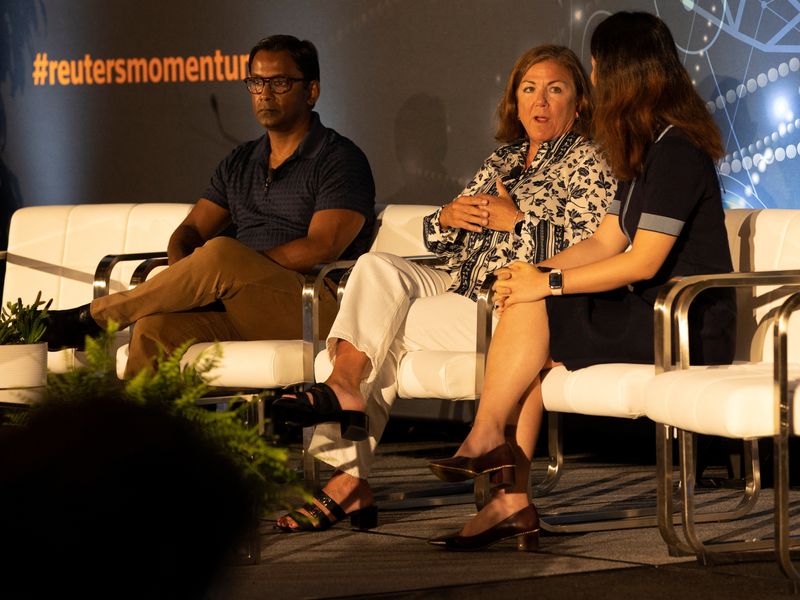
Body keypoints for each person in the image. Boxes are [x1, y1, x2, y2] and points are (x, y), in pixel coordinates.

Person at [271, 45, 617, 532]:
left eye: (555, 89)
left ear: (579, 103)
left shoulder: (591, 162)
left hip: (511, 302)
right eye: (529, 89)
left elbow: (597, 243)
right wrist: (447, 217)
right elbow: (437, 235)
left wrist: (517, 222)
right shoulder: (504, 158)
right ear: (514, 102)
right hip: (456, 279)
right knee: (374, 269)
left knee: (378, 331)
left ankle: (344, 483)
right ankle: (343, 385)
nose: (540, 101)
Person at [426, 11, 736, 551]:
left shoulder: (677, 151)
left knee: (536, 307)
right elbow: (604, 241)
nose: (594, 79)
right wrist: (535, 273)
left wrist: (544, 287)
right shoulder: (642, 150)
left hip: (683, 321)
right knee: (527, 308)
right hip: (645, 310)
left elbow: (641, 262)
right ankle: (508, 495)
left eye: (596, 69)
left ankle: (489, 451)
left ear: (622, 74)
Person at [43, 35, 375, 377]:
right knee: (153, 329)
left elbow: (323, 246)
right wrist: (195, 277)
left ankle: (95, 318)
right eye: (256, 82)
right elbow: (189, 231)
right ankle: (143, 428)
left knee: (220, 254)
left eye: (279, 82)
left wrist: (231, 270)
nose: (264, 93)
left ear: (311, 91)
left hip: (310, 304)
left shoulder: (339, 159)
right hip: (236, 305)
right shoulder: (241, 161)